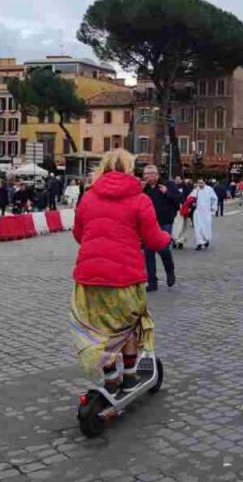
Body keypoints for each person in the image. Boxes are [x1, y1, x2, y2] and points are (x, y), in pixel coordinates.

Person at [70, 149, 171, 395]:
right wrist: (167, 237)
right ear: (129, 169)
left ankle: (110, 376)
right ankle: (128, 376)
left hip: (89, 277)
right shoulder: (140, 199)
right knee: (128, 326)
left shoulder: (89, 196)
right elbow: (155, 240)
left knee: (100, 328)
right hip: (125, 277)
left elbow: (78, 234)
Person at [142, 165, 181, 291]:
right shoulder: (144, 189)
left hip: (165, 223)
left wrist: (167, 193)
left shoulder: (167, 185)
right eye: (146, 174)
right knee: (148, 252)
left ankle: (170, 272)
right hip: (148, 225)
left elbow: (178, 201)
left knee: (164, 249)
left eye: (152, 173)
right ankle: (152, 282)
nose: (149, 176)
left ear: (157, 174)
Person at [191, 179, 218, 250]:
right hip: (198, 212)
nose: (200, 184)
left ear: (204, 183)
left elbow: (214, 198)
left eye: (201, 183)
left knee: (205, 228)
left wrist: (213, 207)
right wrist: (192, 204)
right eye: (199, 183)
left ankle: (206, 240)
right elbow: (190, 198)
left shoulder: (209, 189)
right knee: (198, 228)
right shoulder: (196, 190)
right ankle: (199, 243)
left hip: (206, 213)